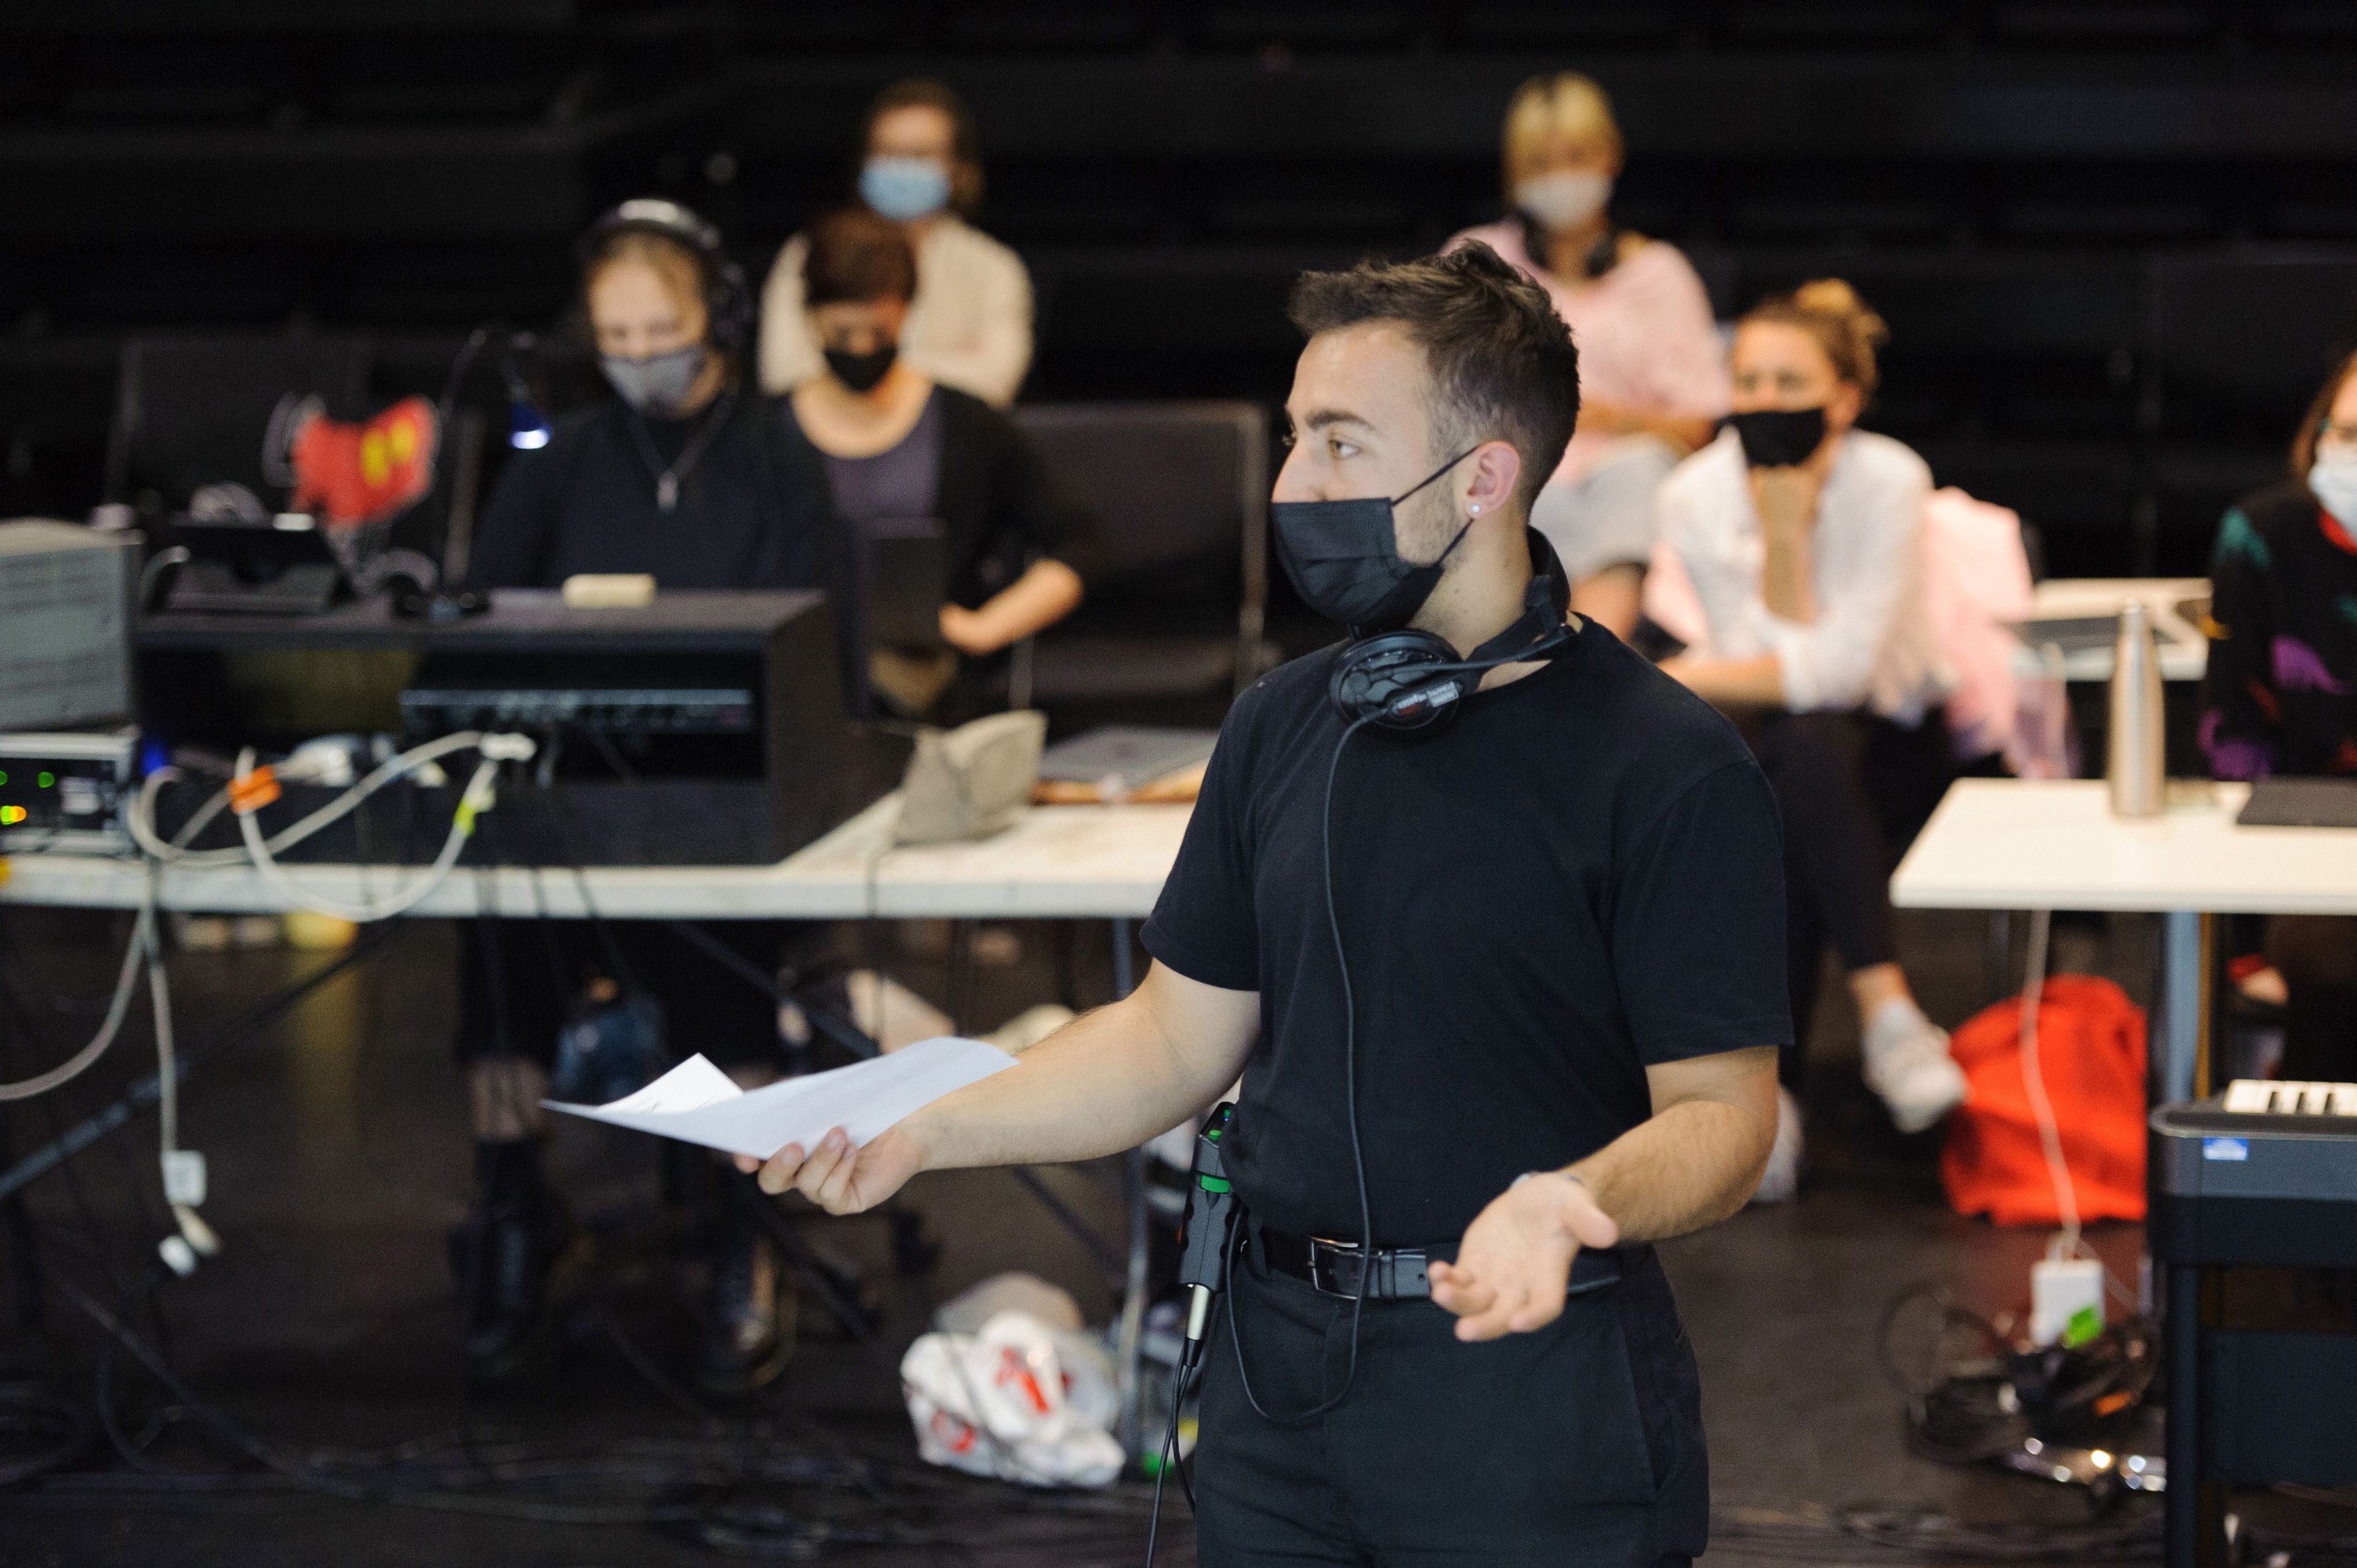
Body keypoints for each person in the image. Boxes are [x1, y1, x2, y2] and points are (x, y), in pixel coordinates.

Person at [740, 243, 1786, 1567]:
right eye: (1297, 439)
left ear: (1486, 473)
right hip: (1274, 1393)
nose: (1295, 485)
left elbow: (1724, 1118)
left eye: (1343, 444)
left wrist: (1571, 1198)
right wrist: (920, 1126)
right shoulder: (1285, 724)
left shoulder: (1667, 760)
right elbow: (1173, 1038)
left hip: (1527, 1396)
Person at [459, 198, 854, 1392]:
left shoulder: (778, 456)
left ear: (717, 319)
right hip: (569, 799)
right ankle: (513, 1208)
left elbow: (822, 650)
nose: (638, 356)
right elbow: (477, 625)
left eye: (660, 329)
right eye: (615, 334)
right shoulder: (565, 457)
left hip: (727, 812)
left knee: (722, 964)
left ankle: (746, 1230)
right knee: (494, 943)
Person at [1646, 279, 1964, 1195]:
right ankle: (1887, 1013)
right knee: (1788, 760)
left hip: (1898, 749)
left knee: (1806, 748)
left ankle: (1768, 1095)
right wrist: (1781, 536)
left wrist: (1684, 673)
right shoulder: (1695, 493)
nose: (1765, 402)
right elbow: (1781, 663)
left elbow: (1848, 671)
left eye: (1791, 381)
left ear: (1846, 398)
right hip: (1780, 748)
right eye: (1748, 379)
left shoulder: (1890, 479)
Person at [1447, 72, 1728, 640]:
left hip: (1619, 482)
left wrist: (1609, 417)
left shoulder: (1661, 274)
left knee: (1638, 471)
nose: (1559, 178)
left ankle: (1590, 662)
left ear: (1610, 156)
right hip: (1512, 475)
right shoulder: (1475, 264)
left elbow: (1702, 425)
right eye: (1539, 164)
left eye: (1575, 157)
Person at [787, 206, 1092, 714]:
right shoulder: (765, 432)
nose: (861, 349)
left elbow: (1079, 542)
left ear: (905, 312)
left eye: (878, 334)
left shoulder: (966, 423)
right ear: (811, 317)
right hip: (800, 691)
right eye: (843, 335)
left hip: (934, 698)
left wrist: (985, 627)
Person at [2202, 348, 2357, 1082]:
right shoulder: (2264, 535)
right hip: (2307, 837)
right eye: (2352, 433)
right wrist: (2244, 940)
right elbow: (2231, 739)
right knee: (2328, 959)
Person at [761, 79, 1032, 408]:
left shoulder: (993, 267)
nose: (902, 167)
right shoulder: (810, 254)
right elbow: (783, 374)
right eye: (887, 152)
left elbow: (994, 381)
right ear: (865, 162)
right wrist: (944, 368)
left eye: (920, 154)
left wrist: (859, 377)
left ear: (959, 168)